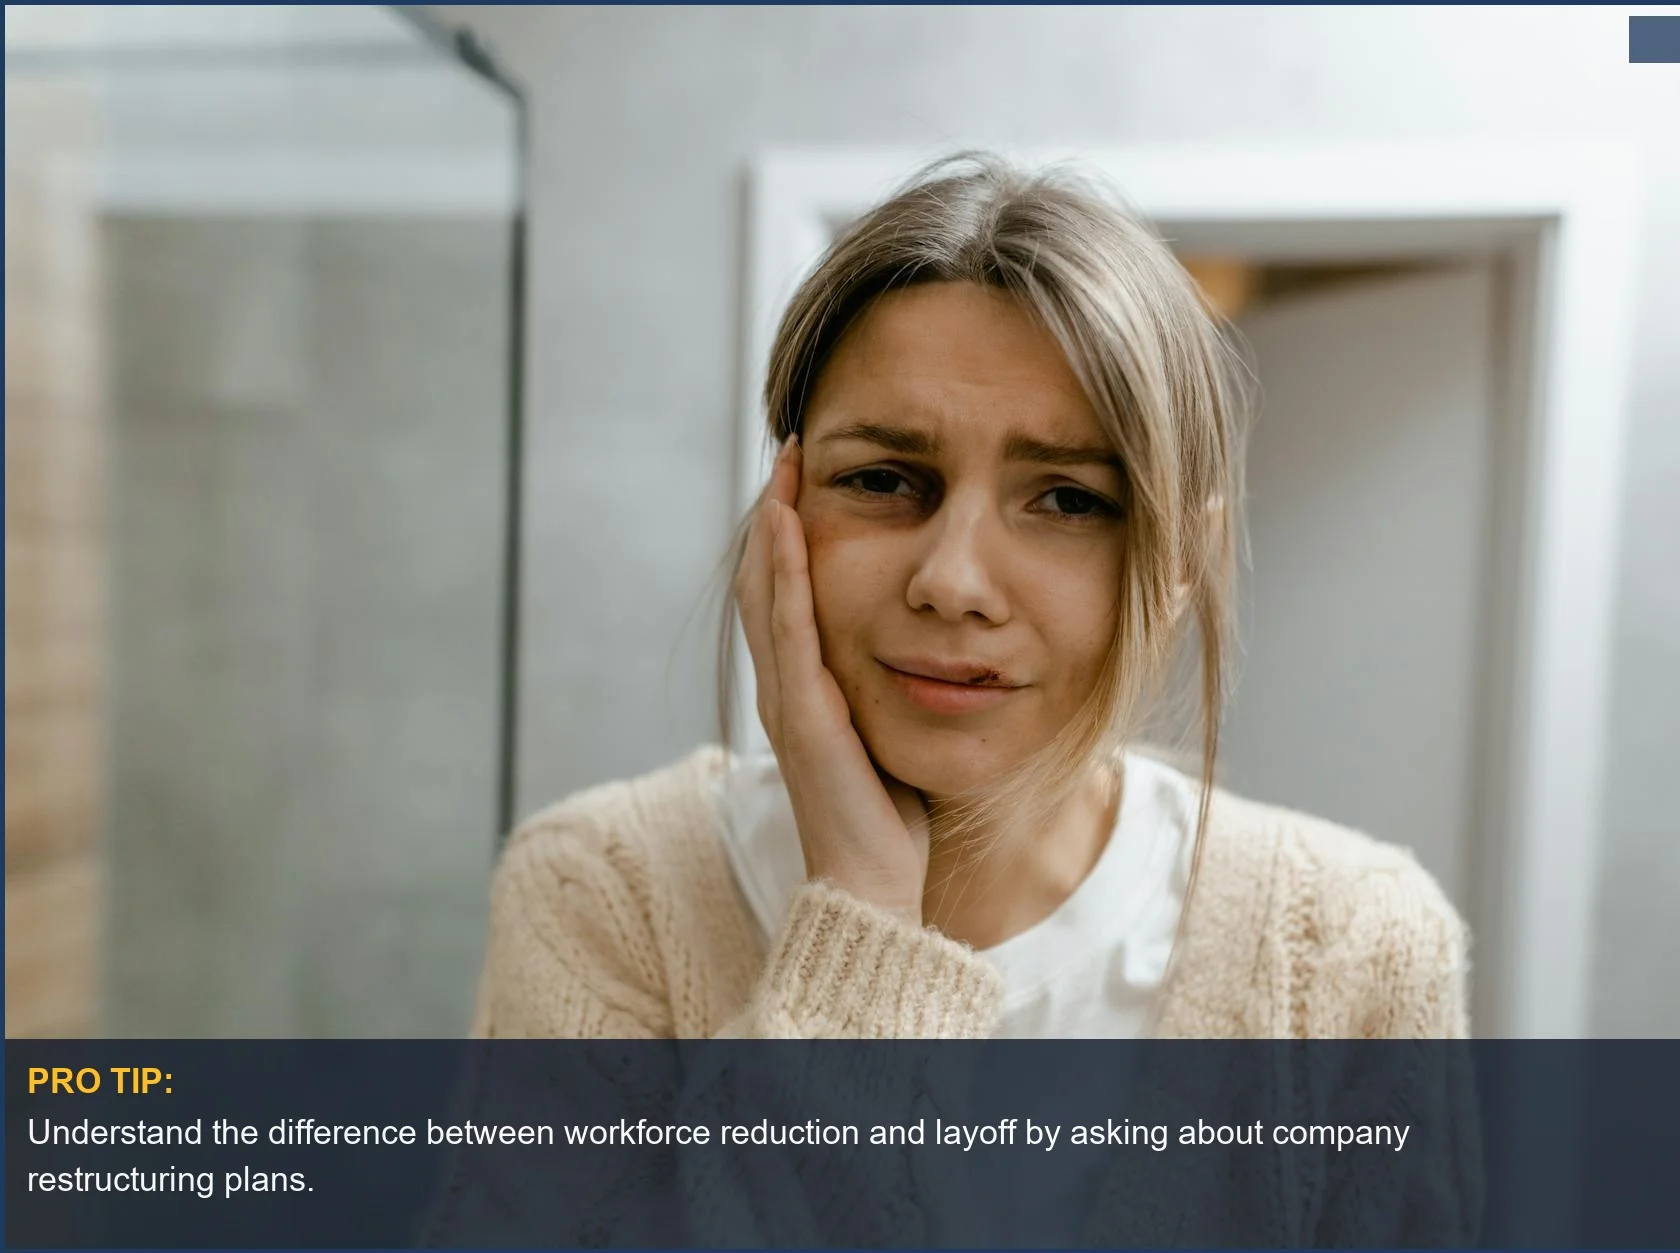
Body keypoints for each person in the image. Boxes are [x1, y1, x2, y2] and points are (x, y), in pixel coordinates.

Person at [469, 152, 1470, 1043]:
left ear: (1177, 567)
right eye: (882, 478)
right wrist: (860, 915)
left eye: (1069, 498)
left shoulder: (1352, 947)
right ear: (783, 503)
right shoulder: (602, 889)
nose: (950, 581)